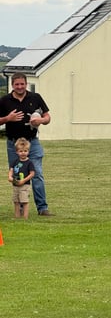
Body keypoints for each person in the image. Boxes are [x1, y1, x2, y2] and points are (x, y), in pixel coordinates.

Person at [0, 72, 54, 216]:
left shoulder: (35, 98)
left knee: (36, 173)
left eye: (22, 84)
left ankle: (42, 208)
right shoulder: (5, 101)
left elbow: (47, 116)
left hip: (32, 142)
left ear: (26, 84)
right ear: (12, 85)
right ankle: (21, 207)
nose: (19, 87)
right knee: (18, 174)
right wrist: (7, 118)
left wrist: (40, 121)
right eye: (17, 84)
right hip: (13, 144)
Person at [8, 137, 35, 219]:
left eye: (25, 151)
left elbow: (32, 173)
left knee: (24, 201)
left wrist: (24, 180)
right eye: (21, 151)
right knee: (16, 201)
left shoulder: (29, 162)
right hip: (15, 185)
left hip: (24, 185)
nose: (23, 153)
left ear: (28, 151)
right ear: (17, 152)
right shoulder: (15, 161)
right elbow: (11, 170)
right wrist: (10, 177)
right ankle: (17, 216)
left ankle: (25, 217)